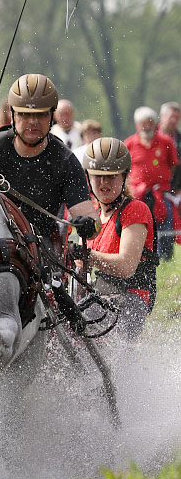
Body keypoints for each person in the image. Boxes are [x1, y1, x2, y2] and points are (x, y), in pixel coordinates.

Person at [0, 74, 99, 250]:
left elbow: (90, 217)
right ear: (13, 115)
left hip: (42, 245)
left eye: (41, 115)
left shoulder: (65, 160)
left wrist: (89, 225)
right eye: (25, 114)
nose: (33, 121)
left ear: (52, 116)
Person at [80, 137, 158, 339]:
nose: (104, 183)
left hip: (132, 299)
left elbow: (126, 266)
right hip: (102, 297)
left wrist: (88, 256)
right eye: (97, 176)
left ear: (124, 176)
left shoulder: (135, 210)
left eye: (111, 176)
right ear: (88, 177)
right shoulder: (94, 214)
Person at [125, 106, 178, 260]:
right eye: (143, 123)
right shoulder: (129, 143)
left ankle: (165, 258)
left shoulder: (166, 141)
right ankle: (139, 256)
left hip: (161, 192)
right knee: (138, 223)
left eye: (149, 122)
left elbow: (173, 164)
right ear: (137, 125)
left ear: (155, 123)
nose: (146, 126)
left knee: (165, 225)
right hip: (138, 193)